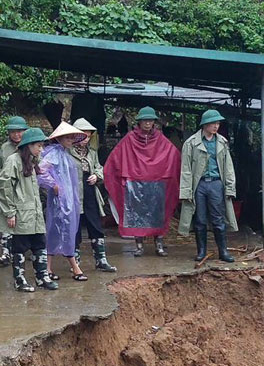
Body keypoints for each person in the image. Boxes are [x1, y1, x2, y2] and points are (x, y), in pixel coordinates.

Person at [104, 106, 181, 257]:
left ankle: (159, 245)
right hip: (135, 184)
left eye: (150, 120)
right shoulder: (130, 138)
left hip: (157, 183)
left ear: (154, 122)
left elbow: (173, 154)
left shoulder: (160, 138)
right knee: (136, 216)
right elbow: (115, 157)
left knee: (158, 215)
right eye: (145, 120)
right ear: (139, 122)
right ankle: (139, 246)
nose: (147, 123)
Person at [0, 127, 59, 292]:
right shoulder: (13, 160)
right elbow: (5, 186)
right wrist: (9, 212)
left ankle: (42, 276)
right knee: (20, 246)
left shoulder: (33, 161)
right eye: (38, 145)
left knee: (39, 244)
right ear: (29, 145)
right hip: (20, 212)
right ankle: (20, 279)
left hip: (35, 212)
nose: (41, 149)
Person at [178, 109, 238, 262]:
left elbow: (228, 167)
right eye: (213, 123)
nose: (216, 126)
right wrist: (186, 191)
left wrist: (230, 187)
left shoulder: (222, 142)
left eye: (217, 123)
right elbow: (185, 170)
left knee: (218, 218)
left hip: (216, 183)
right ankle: (201, 251)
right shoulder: (191, 143)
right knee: (200, 219)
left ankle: (223, 251)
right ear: (204, 125)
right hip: (199, 184)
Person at [36, 121, 89, 282]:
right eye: (67, 137)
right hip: (59, 202)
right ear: (59, 139)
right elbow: (41, 171)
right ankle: (74, 267)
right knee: (58, 230)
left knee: (65, 230)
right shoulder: (53, 153)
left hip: (69, 200)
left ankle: (49, 267)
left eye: (72, 137)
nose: (70, 140)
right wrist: (54, 185)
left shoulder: (66, 154)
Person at [70, 117, 117, 272]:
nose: (85, 138)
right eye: (83, 134)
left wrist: (97, 176)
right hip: (73, 192)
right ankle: (74, 261)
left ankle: (101, 259)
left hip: (90, 189)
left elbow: (99, 167)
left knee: (94, 222)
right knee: (74, 225)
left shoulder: (92, 152)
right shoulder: (66, 152)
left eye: (89, 135)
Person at [0, 116, 29, 266]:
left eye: (20, 131)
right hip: (6, 188)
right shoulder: (4, 148)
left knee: (24, 219)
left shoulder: (29, 145)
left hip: (24, 187)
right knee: (5, 219)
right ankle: (5, 253)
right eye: (13, 132)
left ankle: (22, 251)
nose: (16, 135)